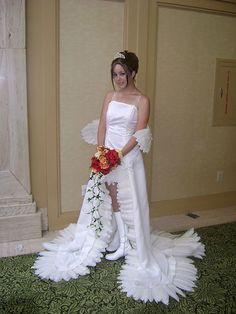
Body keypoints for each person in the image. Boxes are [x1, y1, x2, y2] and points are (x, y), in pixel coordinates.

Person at [33, 51, 205, 304]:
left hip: (127, 154)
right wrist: (102, 152)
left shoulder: (142, 100)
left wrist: (117, 155)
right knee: (110, 196)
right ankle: (118, 241)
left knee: (128, 199)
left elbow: (138, 134)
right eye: (115, 74)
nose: (118, 78)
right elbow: (102, 124)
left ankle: (127, 243)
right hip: (108, 152)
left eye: (122, 73)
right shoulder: (109, 96)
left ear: (133, 73)